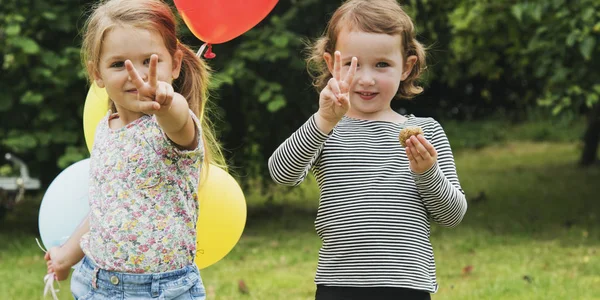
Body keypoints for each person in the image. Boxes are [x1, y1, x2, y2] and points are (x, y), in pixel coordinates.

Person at [268, 0, 467, 299]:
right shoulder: (326, 128)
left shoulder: (426, 132)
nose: (366, 79)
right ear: (330, 65)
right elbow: (281, 173)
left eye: (383, 64)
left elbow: (452, 215)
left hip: (407, 286)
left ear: (407, 66)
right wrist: (323, 121)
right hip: (338, 285)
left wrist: (427, 172)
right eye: (352, 64)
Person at [44, 0, 225, 299]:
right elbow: (105, 209)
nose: (137, 76)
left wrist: (166, 102)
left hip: (164, 290)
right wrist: (66, 255)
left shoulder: (172, 125)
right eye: (118, 64)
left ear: (175, 64)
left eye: (150, 61)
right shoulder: (105, 129)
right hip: (96, 284)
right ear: (96, 74)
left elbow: (176, 118)